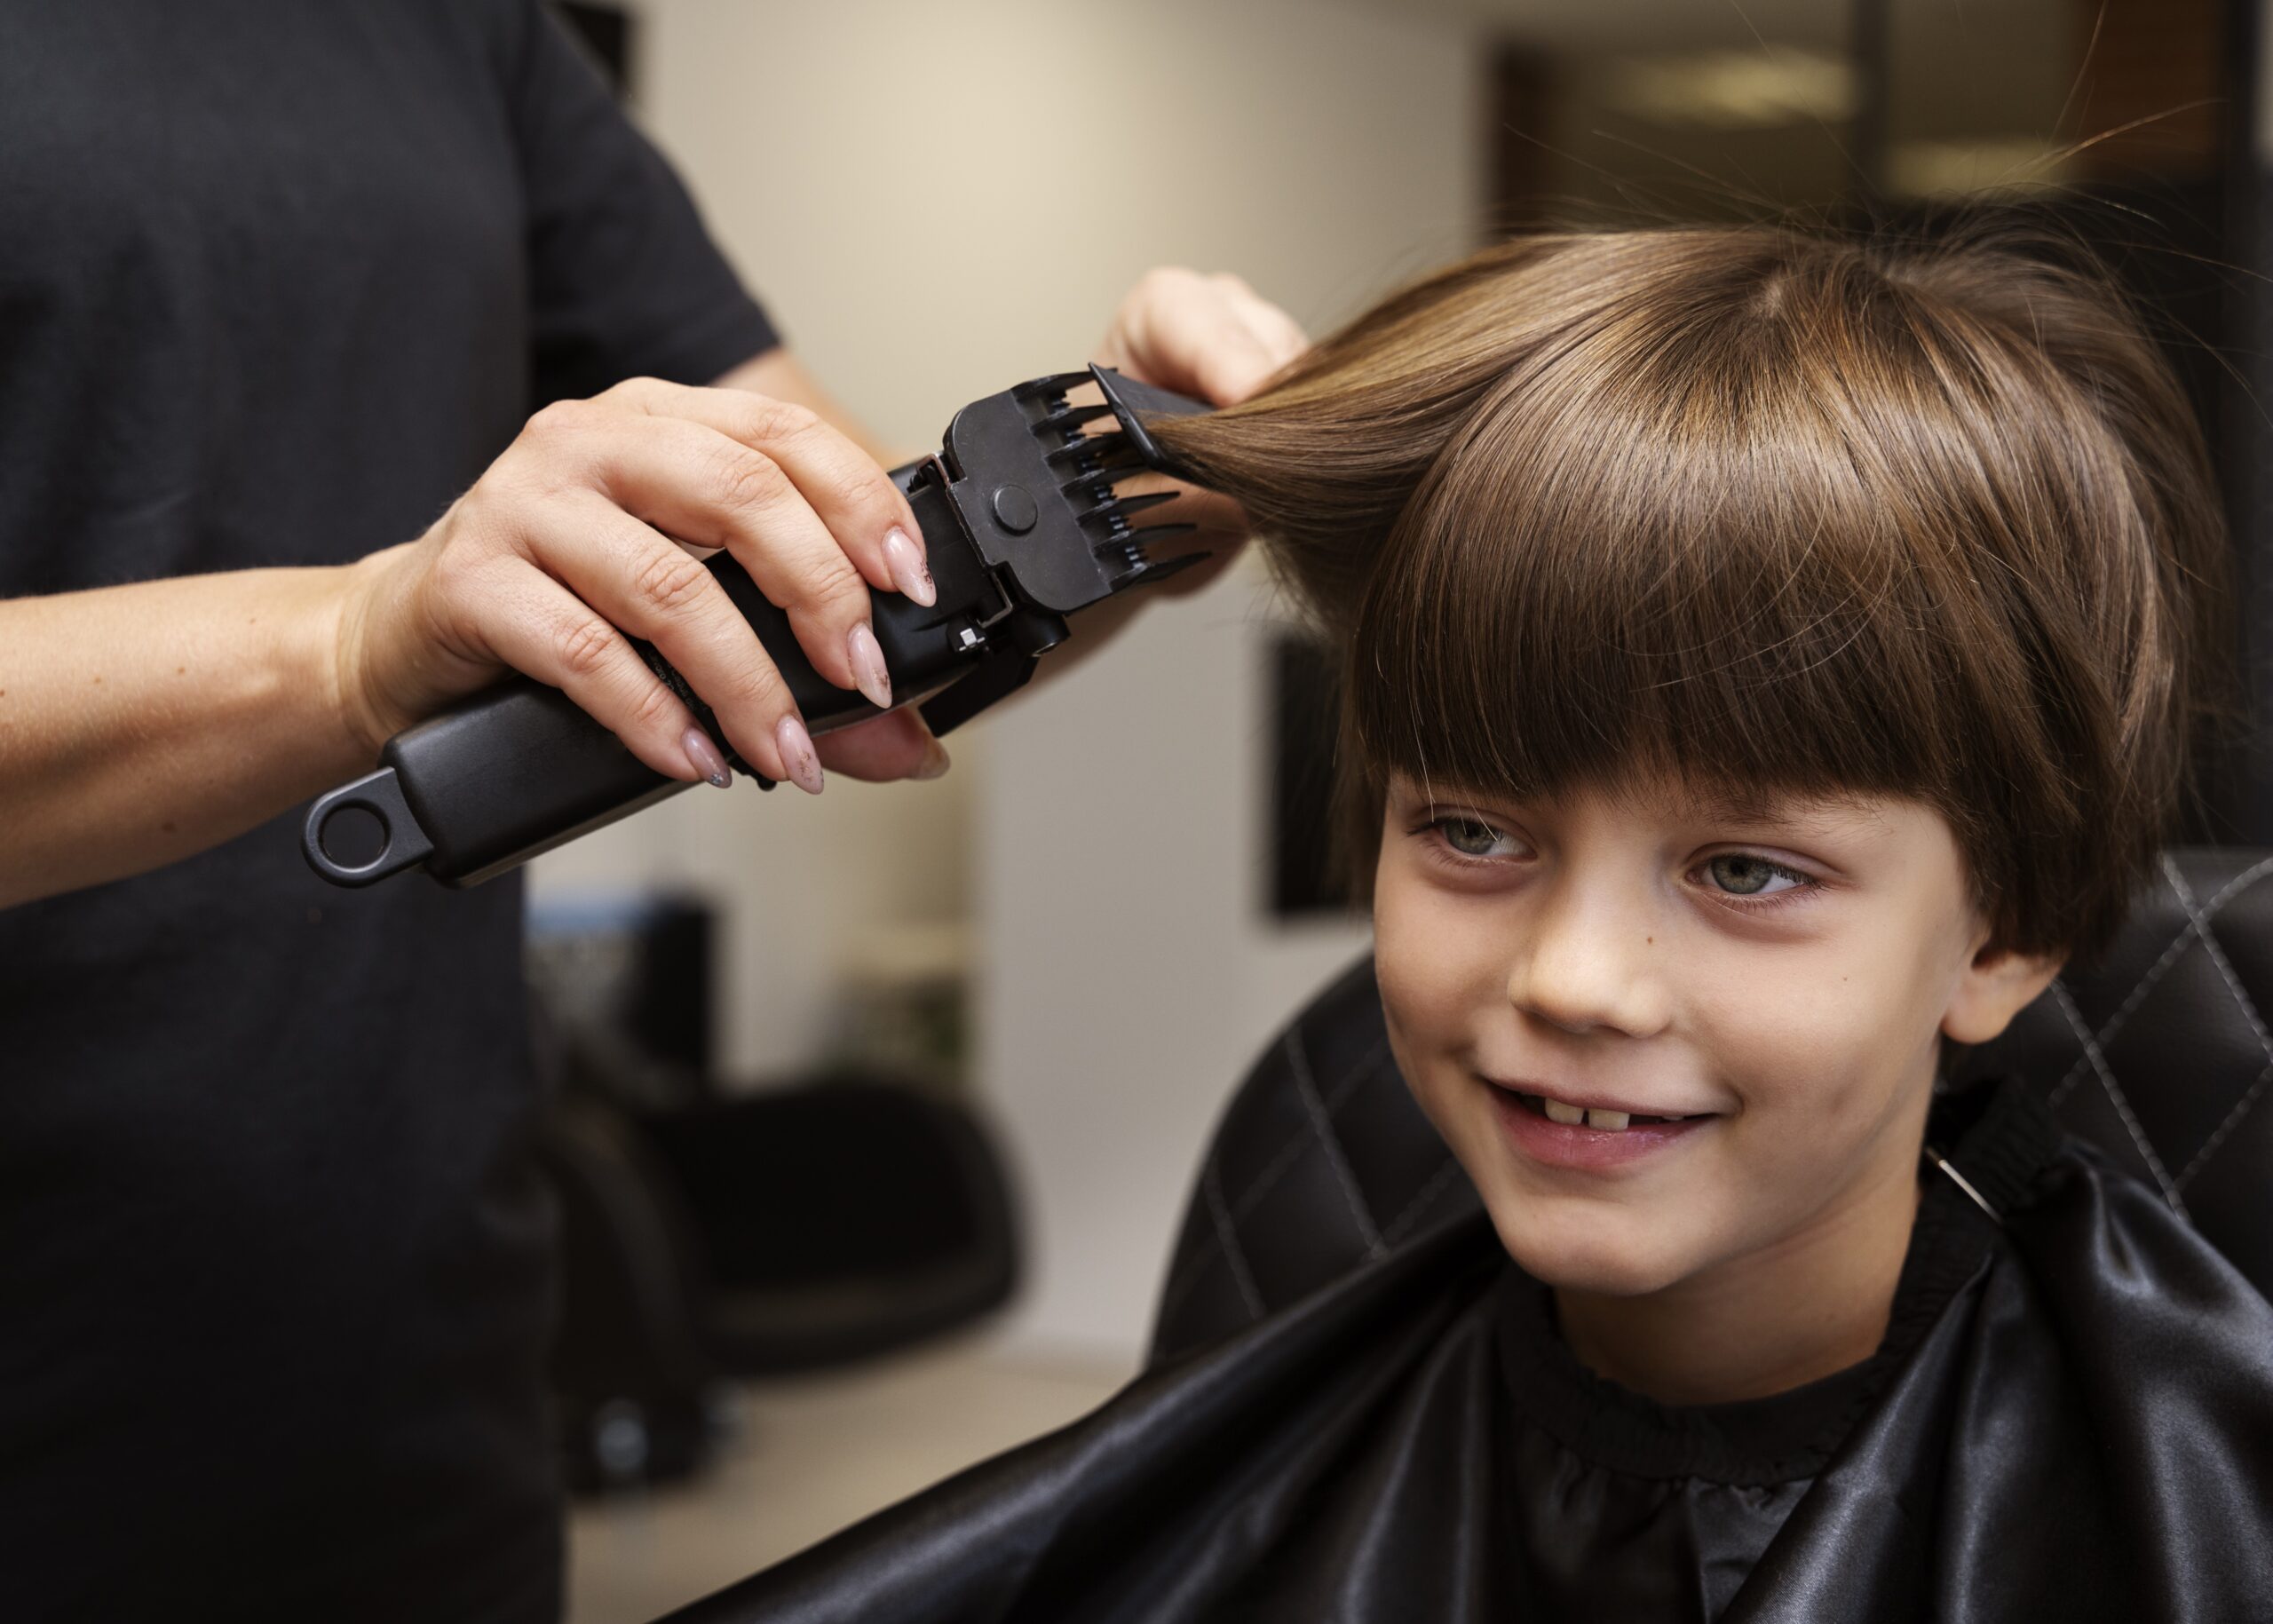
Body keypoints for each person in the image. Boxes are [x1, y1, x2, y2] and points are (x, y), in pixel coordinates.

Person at [661, 224, 2273, 1622]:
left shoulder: (2198, 1500)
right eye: (1471, 828)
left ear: (2009, 931)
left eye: (1747, 871)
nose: (1571, 978)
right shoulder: (1291, 1291)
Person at [0, 5, 1303, 1620]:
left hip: (409, 1379)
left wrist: (1160, 470)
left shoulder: (464, 39)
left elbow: (856, 588)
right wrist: (355, 643)